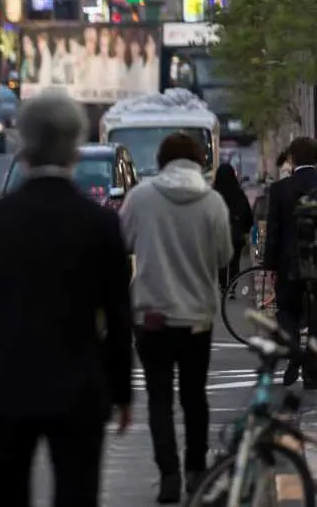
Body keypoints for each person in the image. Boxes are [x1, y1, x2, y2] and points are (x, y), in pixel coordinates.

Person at [0, 92, 133, 507]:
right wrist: (122, 392)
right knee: (77, 493)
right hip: (80, 386)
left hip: (6, 383)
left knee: (8, 492)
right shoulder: (100, 223)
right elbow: (119, 317)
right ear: (75, 149)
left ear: (23, 144)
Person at [119, 132, 233, 503]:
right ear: (200, 161)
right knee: (194, 396)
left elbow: (124, 241)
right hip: (197, 316)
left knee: (159, 398)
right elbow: (223, 256)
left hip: (152, 315)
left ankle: (168, 474)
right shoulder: (213, 202)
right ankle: (196, 470)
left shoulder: (141, 198)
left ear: (163, 160)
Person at [264, 137, 317, 387]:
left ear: (292, 160)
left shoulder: (280, 189)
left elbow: (273, 231)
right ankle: (312, 371)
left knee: (287, 311)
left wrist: (269, 266)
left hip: (288, 262)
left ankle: (293, 351)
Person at [213, 163, 253, 296]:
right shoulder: (239, 193)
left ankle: (223, 285)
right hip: (236, 233)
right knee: (235, 261)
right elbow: (247, 214)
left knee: (221, 261)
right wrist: (246, 230)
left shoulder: (213, 195)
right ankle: (232, 286)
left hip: (218, 233)